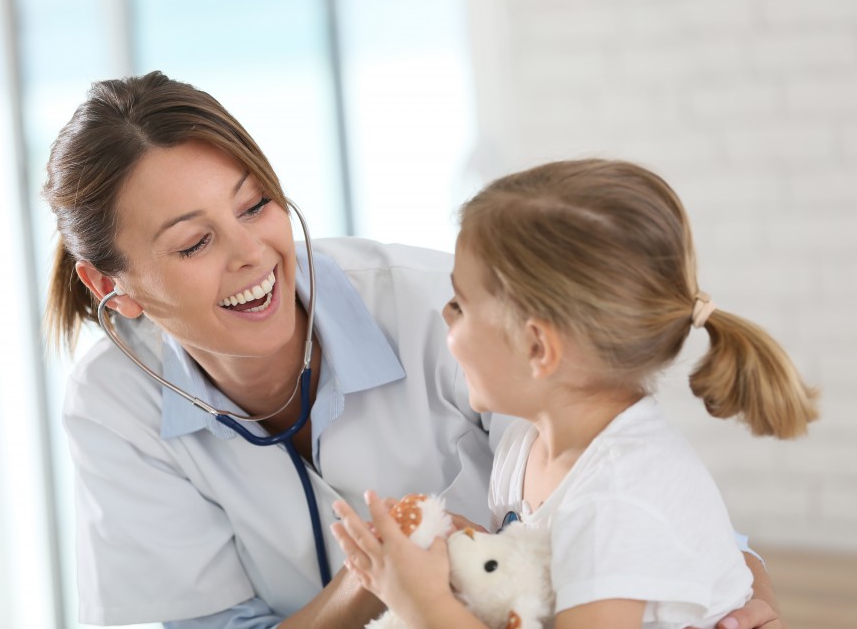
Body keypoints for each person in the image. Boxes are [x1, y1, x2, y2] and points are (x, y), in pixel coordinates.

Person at [42, 72, 790, 628]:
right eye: (196, 241)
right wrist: (379, 576)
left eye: (256, 204)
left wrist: (735, 585)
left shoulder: (454, 311)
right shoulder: (117, 404)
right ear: (112, 284)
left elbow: (619, 498)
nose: (252, 254)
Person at [330, 159, 819, 629]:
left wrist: (421, 602)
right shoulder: (528, 445)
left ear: (537, 347)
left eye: (460, 304)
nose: (445, 316)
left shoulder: (617, 496)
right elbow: (539, 571)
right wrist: (461, 543)